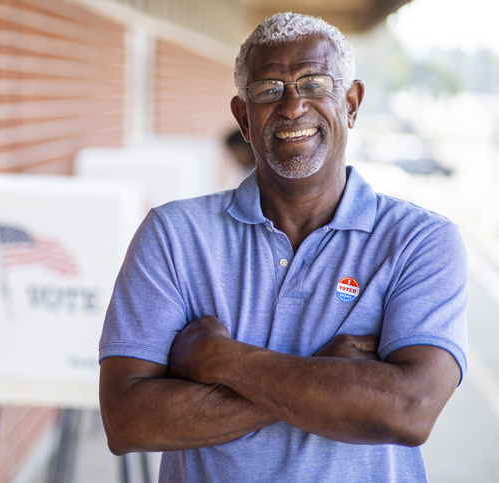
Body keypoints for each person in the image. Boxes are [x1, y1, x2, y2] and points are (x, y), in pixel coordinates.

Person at [98, 12, 467, 482]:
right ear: (243, 118)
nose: (293, 106)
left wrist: (220, 359)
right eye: (269, 89)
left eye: (314, 84)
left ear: (351, 103)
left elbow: (407, 410)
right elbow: (127, 421)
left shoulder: (420, 241)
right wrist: (332, 379)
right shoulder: (173, 235)